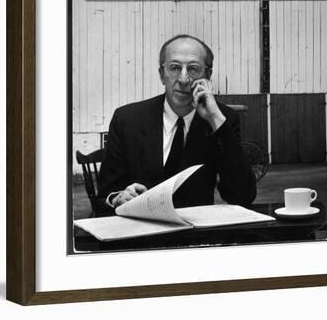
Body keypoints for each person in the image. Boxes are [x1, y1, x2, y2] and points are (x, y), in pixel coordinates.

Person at [96, 34, 256, 214]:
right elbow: (105, 195)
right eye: (174, 68)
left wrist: (215, 120)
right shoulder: (127, 119)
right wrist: (118, 198)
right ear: (162, 75)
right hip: (141, 231)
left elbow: (243, 194)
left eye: (194, 69)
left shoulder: (223, 118)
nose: (184, 78)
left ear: (208, 76)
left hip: (195, 233)